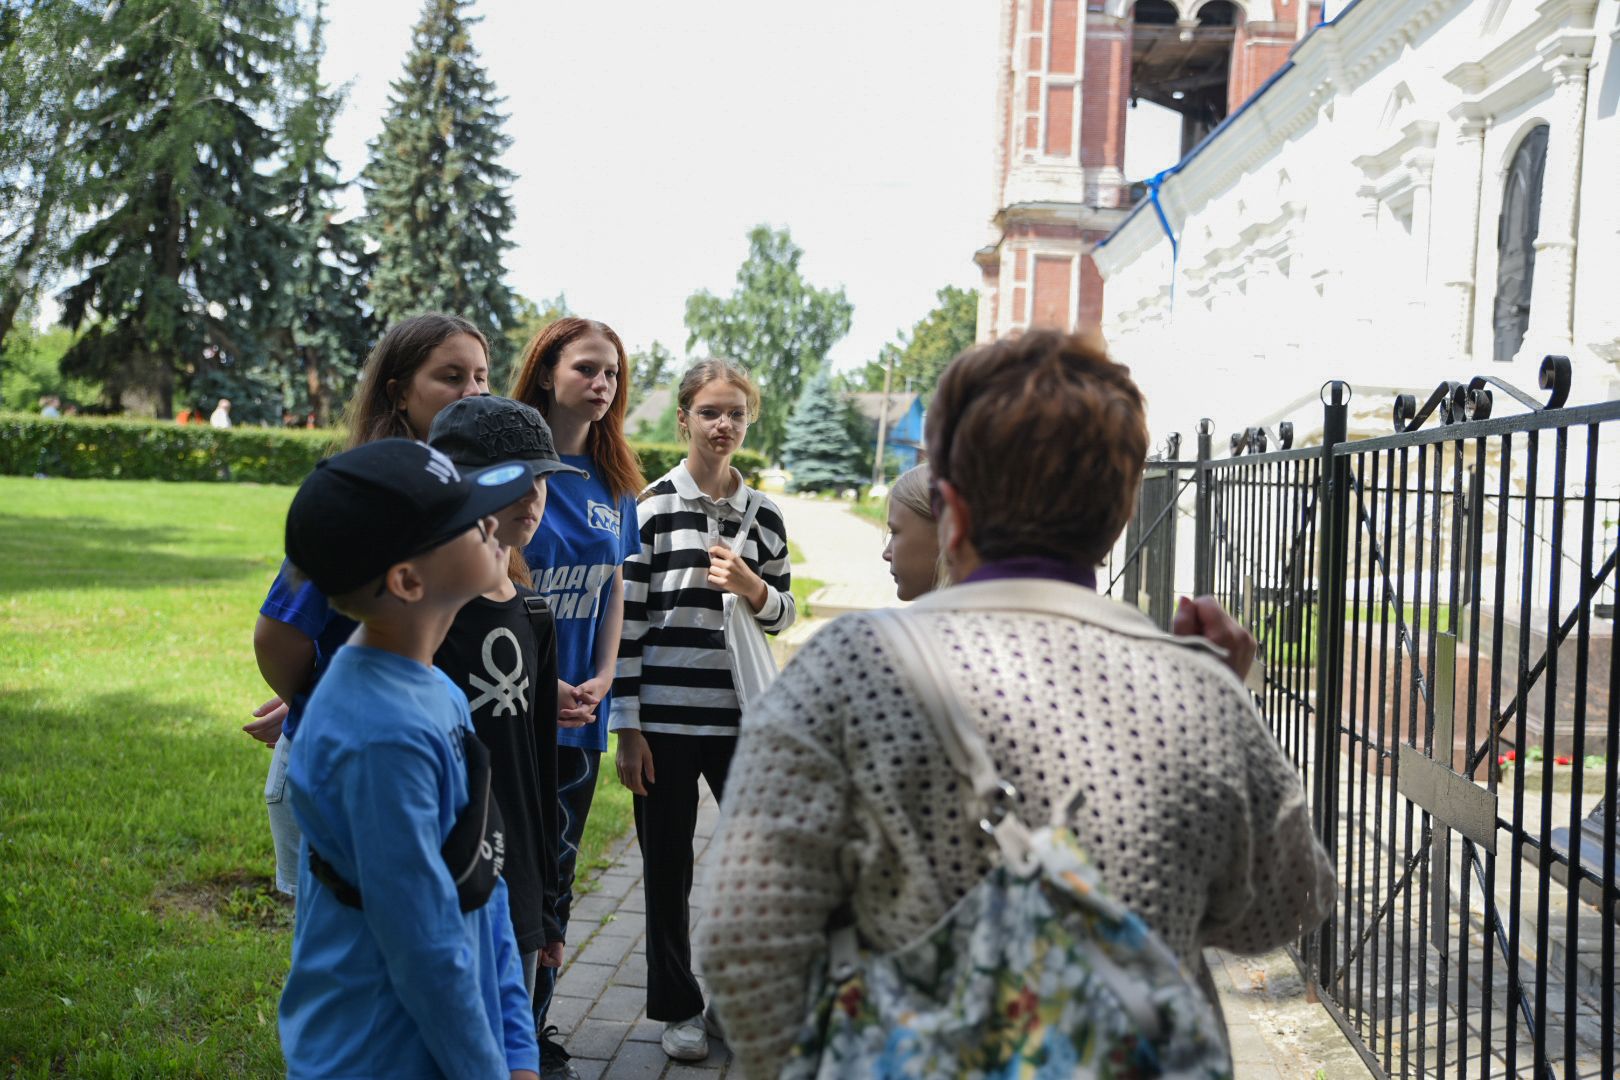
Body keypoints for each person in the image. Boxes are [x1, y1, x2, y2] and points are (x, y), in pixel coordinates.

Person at [697, 331, 1335, 1078]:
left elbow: (743, 946)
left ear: (954, 510)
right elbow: (1284, 910)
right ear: (1121, 510)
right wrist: (1229, 698)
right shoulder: (1196, 689)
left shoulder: (849, 668)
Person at [276, 437, 540, 1079]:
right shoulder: (378, 736)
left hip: (450, 1050)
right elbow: (422, 946)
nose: (490, 522)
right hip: (377, 1056)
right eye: (465, 520)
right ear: (407, 580)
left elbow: (483, 874)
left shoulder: (434, 688)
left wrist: (517, 1046)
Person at [248, 313, 492, 896]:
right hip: (356, 771)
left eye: (482, 377)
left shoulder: (464, 490)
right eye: (451, 376)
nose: (473, 394)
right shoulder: (370, 495)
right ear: (398, 392)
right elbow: (278, 633)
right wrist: (322, 698)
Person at [612, 358, 796, 1063]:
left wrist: (753, 587)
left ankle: (731, 1000)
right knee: (667, 869)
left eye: (737, 413)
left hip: (743, 721)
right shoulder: (651, 507)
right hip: (661, 724)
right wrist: (626, 727)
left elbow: (781, 614)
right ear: (684, 417)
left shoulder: (767, 515)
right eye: (712, 411)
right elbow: (626, 626)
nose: (725, 424)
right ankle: (679, 1008)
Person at [428, 395, 585, 1057]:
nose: (535, 494)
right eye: (514, 478)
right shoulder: (424, 610)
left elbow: (536, 769)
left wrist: (546, 902)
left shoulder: (535, 613)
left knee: (505, 1042)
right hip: (444, 878)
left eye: (543, 477)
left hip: (516, 883)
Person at [507, 317, 643, 1074]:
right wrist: (538, 676)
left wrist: (605, 675)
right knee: (512, 875)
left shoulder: (613, 474)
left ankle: (536, 1025)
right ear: (547, 371)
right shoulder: (508, 466)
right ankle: (503, 1029)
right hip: (514, 708)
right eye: (587, 368)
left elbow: (615, 583)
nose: (601, 384)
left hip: (580, 716)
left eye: (613, 374)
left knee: (557, 875)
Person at [885, 461, 1259, 662]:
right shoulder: (1132, 661)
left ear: (951, 527)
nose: (887, 551)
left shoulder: (880, 652)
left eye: (895, 532)